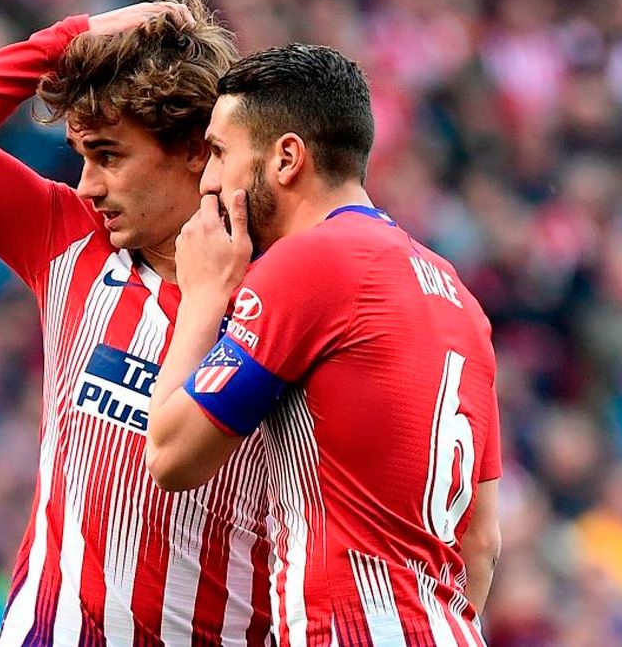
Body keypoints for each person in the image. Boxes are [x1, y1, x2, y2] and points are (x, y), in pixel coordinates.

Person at [0, 0, 273, 646]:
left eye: (109, 155)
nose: (87, 184)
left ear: (196, 152)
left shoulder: (283, 297)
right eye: (81, 155)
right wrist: (62, 41)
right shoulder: (69, 240)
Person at [146, 43, 502, 646]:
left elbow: (172, 454)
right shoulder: (459, 297)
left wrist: (203, 296)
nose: (207, 179)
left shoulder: (311, 262)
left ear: (287, 158)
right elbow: (482, 543)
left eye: (220, 153)